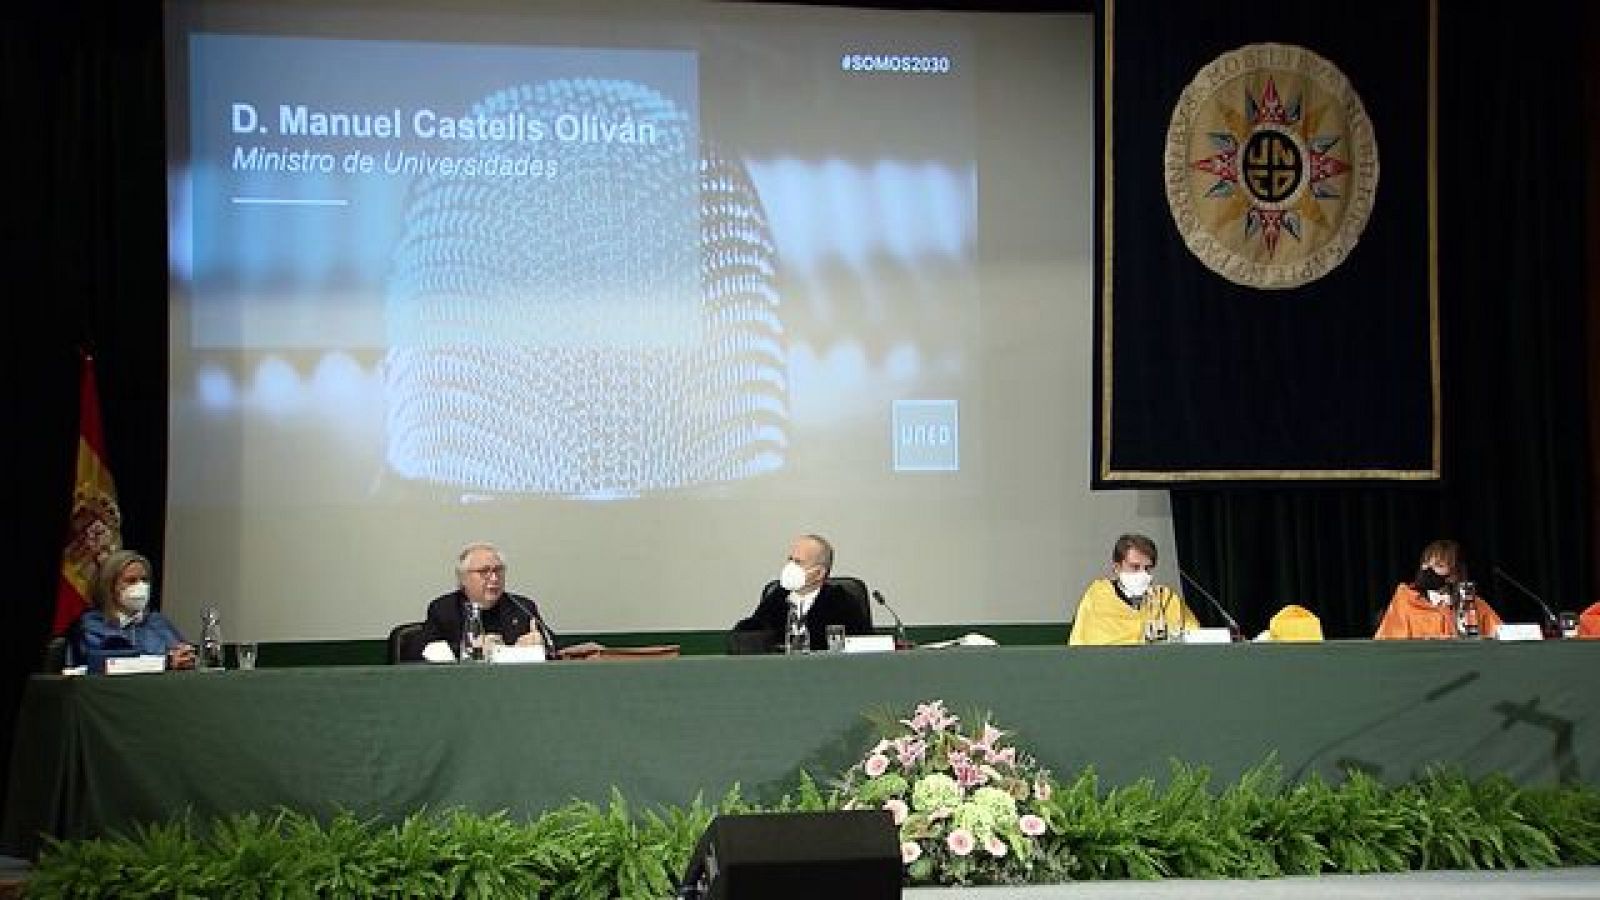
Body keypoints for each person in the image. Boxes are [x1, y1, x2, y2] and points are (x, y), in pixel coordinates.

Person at [418, 542, 559, 660]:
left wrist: (541, 645)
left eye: (498, 570)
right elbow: (420, 652)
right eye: (484, 571)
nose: (494, 578)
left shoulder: (522, 607)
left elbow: (555, 647)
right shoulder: (444, 609)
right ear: (463, 578)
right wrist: (470, 649)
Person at [734, 533, 873, 652]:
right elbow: (750, 635)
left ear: (819, 573)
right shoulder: (776, 598)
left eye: (798, 562)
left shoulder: (841, 602)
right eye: (790, 560)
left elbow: (865, 648)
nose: (790, 567)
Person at [69, 549, 196, 672]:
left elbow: (181, 653)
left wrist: (185, 657)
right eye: (131, 580)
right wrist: (165, 662)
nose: (141, 586)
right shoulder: (93, 623)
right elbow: (111, 664)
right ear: (109, 587)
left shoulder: (157, 621)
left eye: (144, 580)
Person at [1068, 533, 1199, 645]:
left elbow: (1194, 637)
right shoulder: (1098, 596)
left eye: (1147, 568)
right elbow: (1083, 643)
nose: (1143, 574)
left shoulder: (1165, 598)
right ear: (1117, 567)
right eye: (1135, 567)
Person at [1374, 539, 1503, 639]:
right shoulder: (1406, 601)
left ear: (1455, 574)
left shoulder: (1473, 605)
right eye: (1425, 563)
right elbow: (1385, 644)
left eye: (1438, 565)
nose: (1428, 569)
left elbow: (1501, 635)